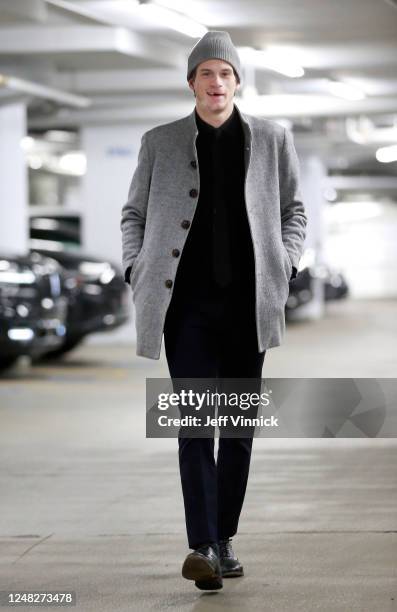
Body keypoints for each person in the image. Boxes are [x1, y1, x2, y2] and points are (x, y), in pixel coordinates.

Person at [120, 30, 307, 591]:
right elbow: (134, 213)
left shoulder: (272, 140)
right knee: (198, 426)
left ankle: (223, 537)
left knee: (240, 428)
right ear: (192, 83)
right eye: (206, 73)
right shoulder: (160, 141)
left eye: (225, 73)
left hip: (249, 309)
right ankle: (201, 544)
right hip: (186, 310)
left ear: (237, 81)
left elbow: (294, 210)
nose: (216, 82)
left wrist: (287, 260)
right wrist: (136, 266)